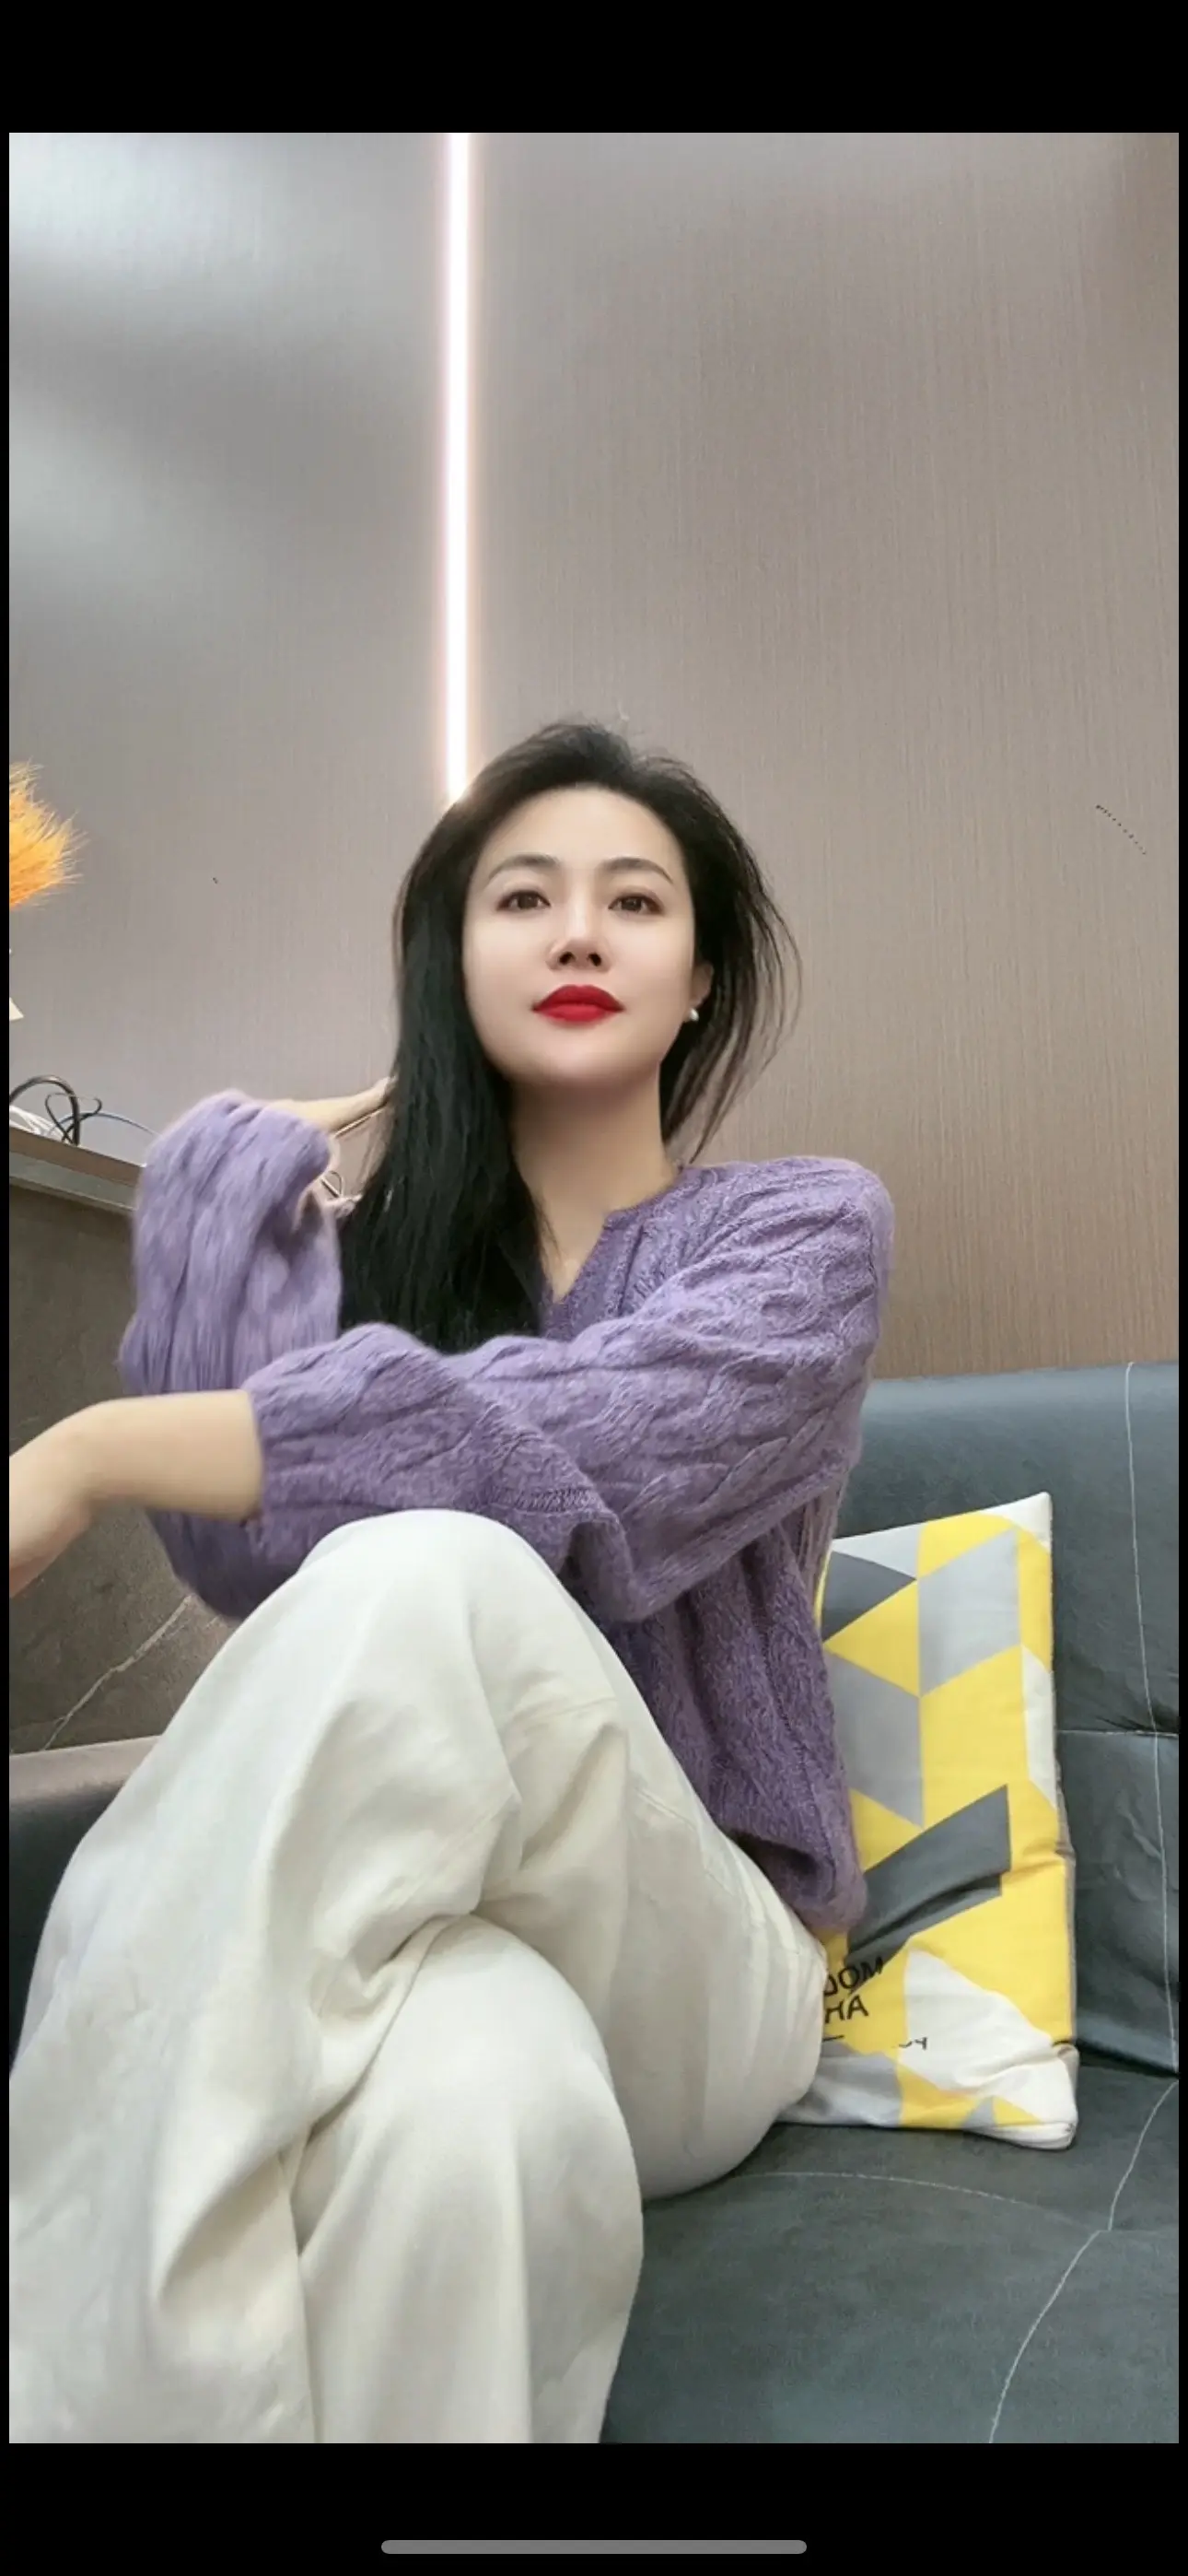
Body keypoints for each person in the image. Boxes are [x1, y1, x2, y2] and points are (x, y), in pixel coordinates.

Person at [8, 721, 892, 2445]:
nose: (578, 933)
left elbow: (595, 1445)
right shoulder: (374, 1273)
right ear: (453, 957)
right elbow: (248, 1559)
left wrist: (91, 1447)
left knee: (432, 1558)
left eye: (633, 901)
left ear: (701, 977)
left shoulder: (798, 1235)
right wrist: (218, 1183)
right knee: (475, 2113)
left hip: (702, 1964)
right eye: (523, 899)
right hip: (439, 1946)